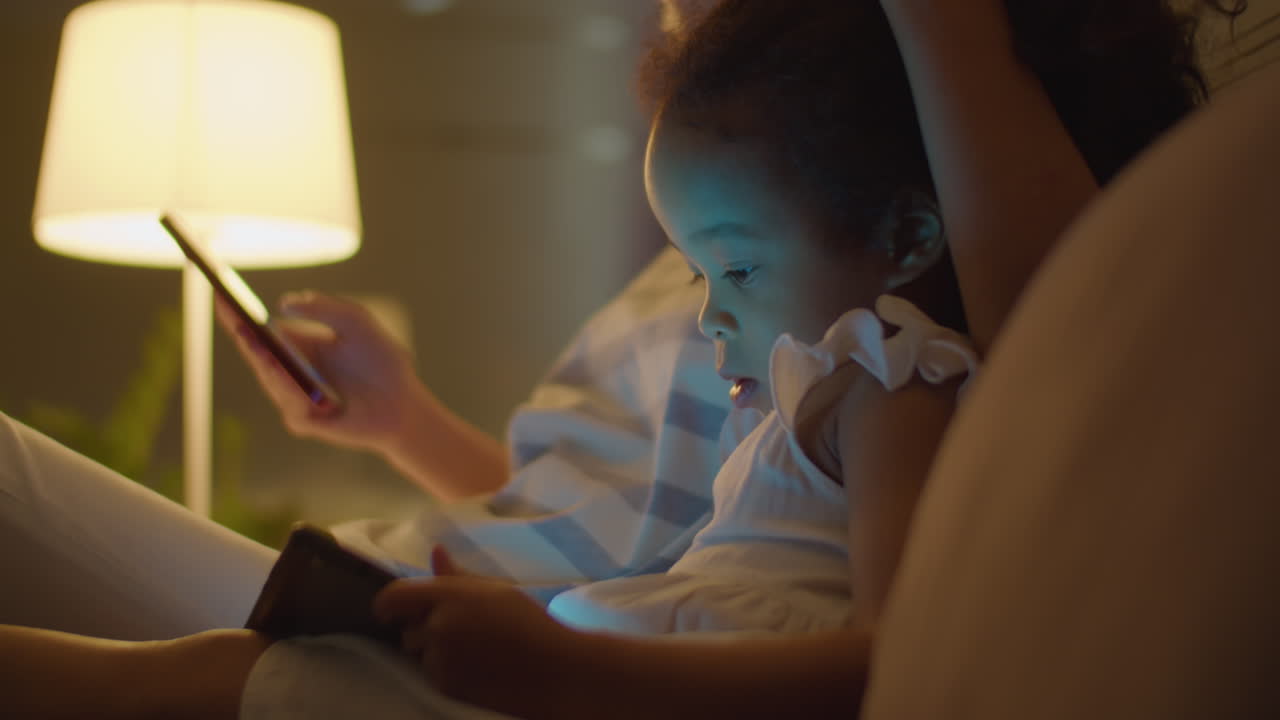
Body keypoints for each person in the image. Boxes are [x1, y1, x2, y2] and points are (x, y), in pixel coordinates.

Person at [0, 0, 1232, 717]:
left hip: (552, 639)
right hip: (510, 608)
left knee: (224, 675)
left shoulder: (840, 295)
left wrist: (562, 663)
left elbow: (861, 625)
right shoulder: (740, 237)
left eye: (726, 275)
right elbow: (628, 517)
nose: (710, 311)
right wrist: (403, 424)